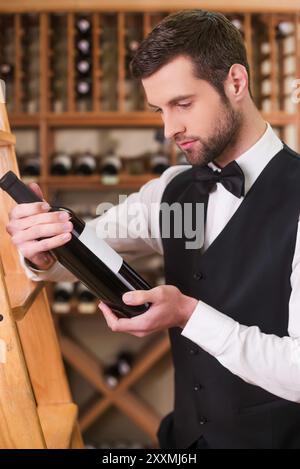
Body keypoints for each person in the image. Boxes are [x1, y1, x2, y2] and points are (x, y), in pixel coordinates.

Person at [6, 10, 300, 449]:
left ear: (236, 83)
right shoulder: (171, 191)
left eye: (183, 104)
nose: (168, 129)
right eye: (159, 110)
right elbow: (83, 249)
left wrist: (187, 314)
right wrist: (43, 250)